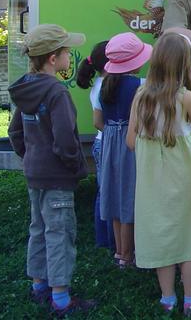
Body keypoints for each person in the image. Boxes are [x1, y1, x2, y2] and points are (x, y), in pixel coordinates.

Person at [7, 24, 96, 317]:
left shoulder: (27, 88)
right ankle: (61, 299)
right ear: (53, 59)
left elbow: (15, 132)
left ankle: (39, 286)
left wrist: (31, 156)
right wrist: (73, 166)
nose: (71, 57)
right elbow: (65, 140)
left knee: (39, 229)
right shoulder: (57, 92)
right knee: (59, 232)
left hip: (35, 174)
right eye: (67, 52)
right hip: (57, 177)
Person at [127, 32, 191, 315]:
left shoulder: (140, 96)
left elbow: (131, 141)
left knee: (162, 232)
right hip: (186, 177)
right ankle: (190, 298)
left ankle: (167, 298)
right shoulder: (187, 97)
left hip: (154, 180)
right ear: (185, 65)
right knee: (189, 232)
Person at [97, 32, 152, 267]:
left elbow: (98, 119)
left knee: (114, 194)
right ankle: (130, 254)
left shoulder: (104, 85)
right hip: (131, 139)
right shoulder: (140, 86)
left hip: (110, 139)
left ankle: (120, 251)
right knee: (130, 193)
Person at [76, 40, 115, 250]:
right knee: (105, 192)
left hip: (102, 143)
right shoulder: (104, 86)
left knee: (103, 191)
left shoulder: (101, 83)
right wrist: (115, 134)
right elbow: (98, 122)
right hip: (106, 143)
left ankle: (105, 238)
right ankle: (106, 239)